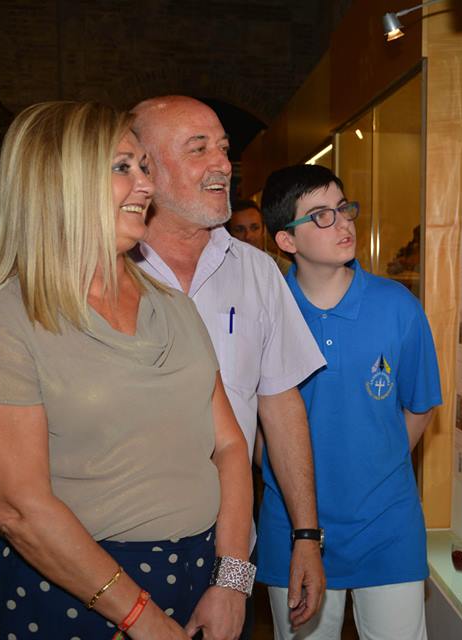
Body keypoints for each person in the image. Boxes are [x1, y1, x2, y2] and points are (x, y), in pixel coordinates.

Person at [0, 101, 253, 639]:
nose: (145, 186)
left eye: (143, 167)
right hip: (74, 594)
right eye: (122, 168)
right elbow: (20, 509)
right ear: (58, 183)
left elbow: (228, 445)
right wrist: (143, 618)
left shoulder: (174, 307)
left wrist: (231, 579)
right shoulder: (1, 323)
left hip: (202, 576)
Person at [130, 95, 327, 633]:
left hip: (225, 551)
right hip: (108, 545)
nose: (223, 164)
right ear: (142, 166)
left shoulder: (258, 272)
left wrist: (306, 536)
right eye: (200, 150)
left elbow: (281, 406)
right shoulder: (102, 270)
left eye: (223, 148)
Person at [258, 164, 442, 640]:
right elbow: (253, 427)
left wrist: (375, 466)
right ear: (286, 241)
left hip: (387, 526)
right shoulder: (268, 312)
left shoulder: (397, 305)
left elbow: (419, 406)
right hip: (292, 529)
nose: (342, 223)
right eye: (320, 216)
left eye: (343, 208)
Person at [226, 198, 292, 275]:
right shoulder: (222, 271)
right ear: (229, 234)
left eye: (255, 228)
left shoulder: (283, 269)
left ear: (263, 230)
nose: (248, 236)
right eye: (239, 230)